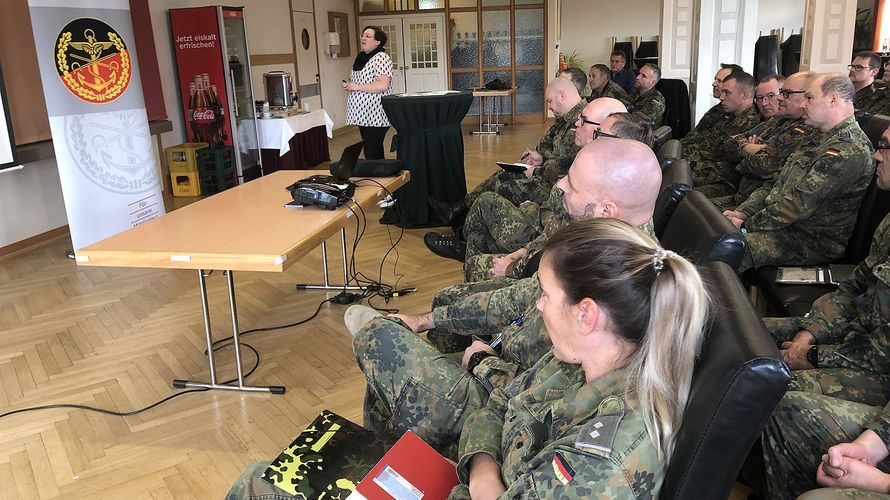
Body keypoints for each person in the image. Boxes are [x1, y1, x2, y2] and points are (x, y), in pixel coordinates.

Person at [346, 142, 663, 460]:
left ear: (606, 210)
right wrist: (428, 321)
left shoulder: (614, 283)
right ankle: (394, 458)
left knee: (377, 335)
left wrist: (483, 365)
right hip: (499, 377)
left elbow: (545, 401)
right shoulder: (609, 251)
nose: (559, 184)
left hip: (500, 407)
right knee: (392, 361)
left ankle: (402, 453)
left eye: (574, 184)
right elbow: (519, 301)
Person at [450, 219, 709, 498]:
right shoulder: (576, 358)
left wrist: (480, 473)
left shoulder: (604, 460)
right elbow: (499, 403)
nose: (539, 305)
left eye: (546, 294)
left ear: (586, 314)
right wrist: (483, 475)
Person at [758, 126, 890, 500]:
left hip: (878, 374)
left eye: (884, 147)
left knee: (774, 393)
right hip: (856, 341)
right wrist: (809, 334)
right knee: (747, 333)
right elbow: (853, 288)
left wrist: (815, 356)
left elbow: (879, 355)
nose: (876, 155)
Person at [424, 95, 624, 263]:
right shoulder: (596, 158)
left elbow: (560, 224)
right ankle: (463, 234)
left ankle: (464, 241)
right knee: (502, 181)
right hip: (544, 221)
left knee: (489, 199)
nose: (576, 124)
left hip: (545, 234)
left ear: (601, 131)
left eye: (584, 120)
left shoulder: (604, 174)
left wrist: (531, 204)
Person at [724, 73, 874, 272]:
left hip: (809, 241)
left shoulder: (848, 149)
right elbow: (775, 184)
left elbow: (796, 205)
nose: (803, 104)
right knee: (713, 228)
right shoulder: (816, 136)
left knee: (725, 248)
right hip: (782, 227)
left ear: (833, 99)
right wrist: (743, 211)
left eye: (810, 98)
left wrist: (745, 224)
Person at [427, 77, 584, 228]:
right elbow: (550, 150)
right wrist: (541, 158)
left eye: (550, 101)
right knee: (503, 173)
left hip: (558, 187)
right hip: (547, 174)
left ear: (562, 95)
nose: (548, 106)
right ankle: (459, 210)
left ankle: (465, 222)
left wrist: (536, 171)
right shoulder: (565, 119)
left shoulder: (581, 123)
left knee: (504, 186)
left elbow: (564, 168)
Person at [710, 72, 817, 210]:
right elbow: (729, 143)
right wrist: (750, 148)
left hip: (759, 204)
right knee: (691, 205)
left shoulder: (805, 130)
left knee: (696, 212)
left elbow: (762, 167)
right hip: (743, 196)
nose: (779, 99)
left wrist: (743, 154)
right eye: (760, 98)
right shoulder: (778, 120)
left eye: (785, 93)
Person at [690, 71, 761, 198]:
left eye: (727, 93)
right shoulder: (727, 117)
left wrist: (692, 166)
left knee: (678, 192)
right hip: (707, 172)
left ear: (745, 95)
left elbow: (730, 167)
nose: (721, 97)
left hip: (725, 183)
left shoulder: (754, 124)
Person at [344, 26, 392, 160]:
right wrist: (350, 84)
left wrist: (357, 86)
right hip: (363, 114)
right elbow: (360, 80)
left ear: (378, 42)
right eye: (363, 35)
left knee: (371, 150)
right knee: (373, 148)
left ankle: (378, 176)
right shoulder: (361, 56)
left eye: (368, 36)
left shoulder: (381, 57)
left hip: (375, 113)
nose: (363, 38)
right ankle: (381, 173)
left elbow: (382, 85)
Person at [849, 50, 890, 116]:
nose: (852, 70)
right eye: (852, 66)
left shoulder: (872, 94)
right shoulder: (881, 93)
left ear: (873, 72)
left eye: (859, 67)